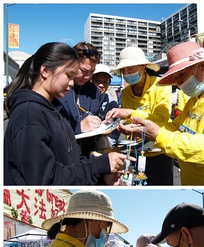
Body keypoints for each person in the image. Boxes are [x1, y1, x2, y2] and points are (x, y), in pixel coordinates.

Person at [118, 41, 204, 186]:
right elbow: (176, 126)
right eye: (175, 77)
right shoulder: (195, 98)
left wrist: (159, 135)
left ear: (202, 66)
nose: (178, 83)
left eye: (181, 75)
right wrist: (141, 128)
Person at [3, 42, 127, 185]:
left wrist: (101, 176)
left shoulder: (52, 111)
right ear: (45, 71)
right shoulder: (29, 114)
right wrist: (98, 165)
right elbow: (45, 180)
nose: (72, 83)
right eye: (68, 76)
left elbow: (69, 162)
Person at [106, 47, 174, 185]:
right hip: (136, 151)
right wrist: (121, 125)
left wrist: (131, 113)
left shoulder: (161, 85)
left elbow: (161, 117)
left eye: (130, 68)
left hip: (159, 151)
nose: (127, 73)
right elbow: (127, 121)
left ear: (143, 66)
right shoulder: (125, 93)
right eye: (123, 70)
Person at [58, 42, 105, 156]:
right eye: (83, 71)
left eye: (92, 72)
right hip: (62, 154)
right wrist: (78, 127)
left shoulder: (94, 91)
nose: (88, 76)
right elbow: (50, 125)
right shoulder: (59, 87)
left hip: (87, 154)